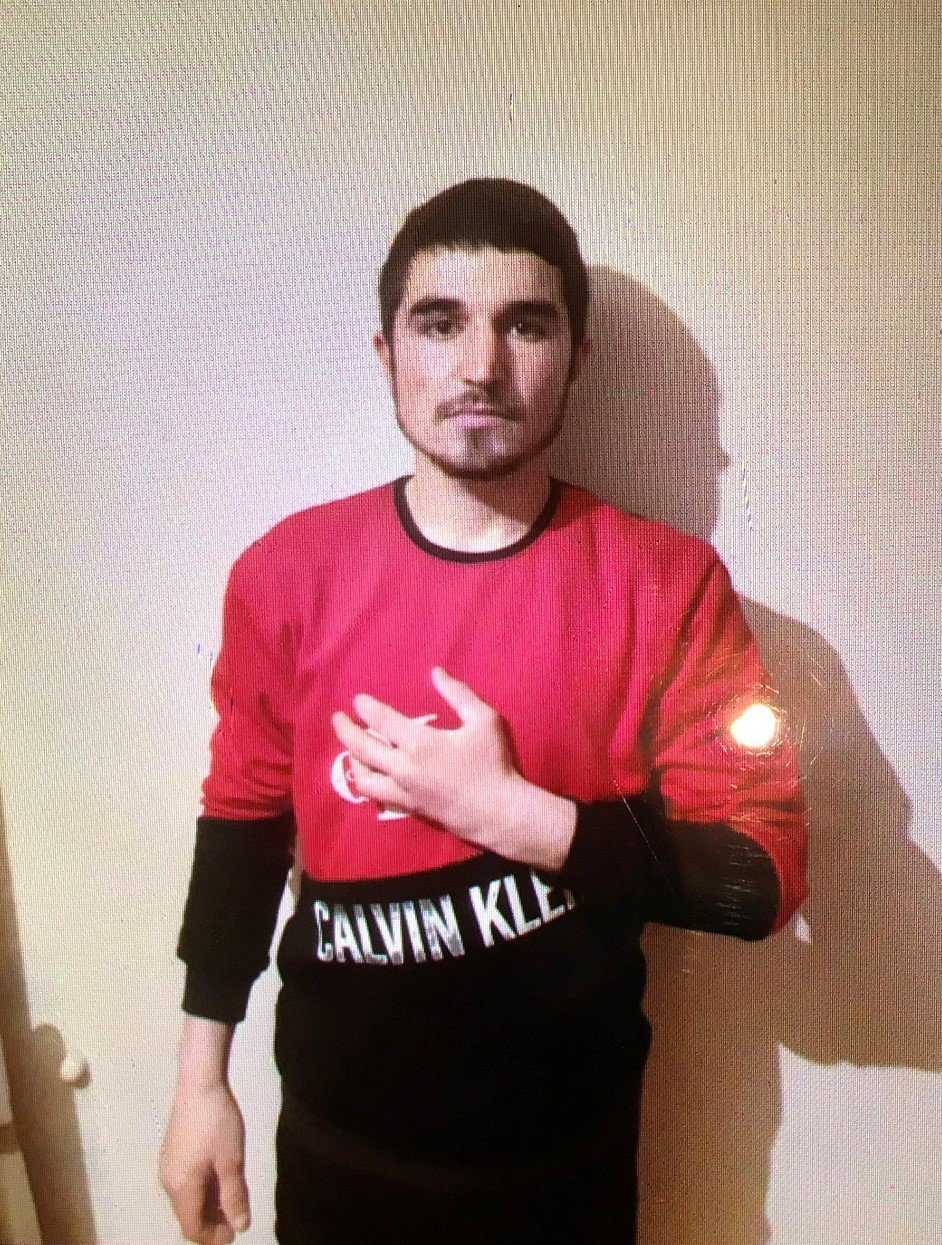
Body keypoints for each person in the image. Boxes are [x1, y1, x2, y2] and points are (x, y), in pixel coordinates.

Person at [159, 177, 807, 1245]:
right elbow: (241, 820)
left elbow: (762, 874)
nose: (481, 367)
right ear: (387, 355)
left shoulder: (666, 582)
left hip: (562, 1173)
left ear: (577, 358)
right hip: (337, 1160)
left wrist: (520, 817)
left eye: (526, 325)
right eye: (440, 323)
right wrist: (200, 1084)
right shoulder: (286, 571)